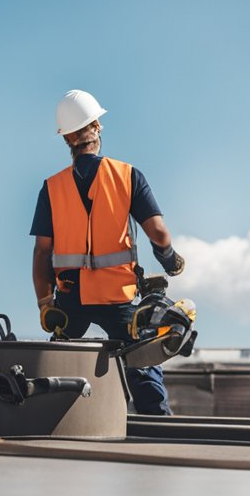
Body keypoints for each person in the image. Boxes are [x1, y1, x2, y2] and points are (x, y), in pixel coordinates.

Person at [29, 90, 185, 415]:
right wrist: (171, 260)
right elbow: (158, 232)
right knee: (143, 369)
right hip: (119, 296)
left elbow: (42, 252)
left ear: (66, 137)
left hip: (71, 299)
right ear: (96, 126)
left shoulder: (52, 187)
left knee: (53, 377)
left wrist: (45, 303)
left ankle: (46, 431)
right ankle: (157, 436)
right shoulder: (128, 176)